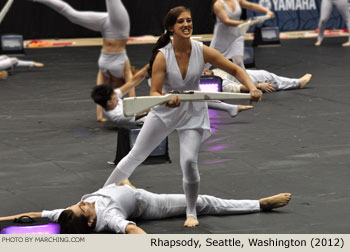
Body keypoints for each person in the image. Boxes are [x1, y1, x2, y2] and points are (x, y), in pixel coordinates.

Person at [102, 6, 262, 228]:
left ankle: (191, 211)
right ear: (171, 28)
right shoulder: (162, 56)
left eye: (189, 20)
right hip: (164, 112)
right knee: (135, 155)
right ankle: (100, 195)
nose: (187, 24)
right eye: (181, 22)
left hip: (193, 113)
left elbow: (235, 70)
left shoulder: (202, 50)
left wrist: (252, 87)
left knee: (188, 162)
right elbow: (154, 92)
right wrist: (166, 98)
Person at [0, 181, 292, 234]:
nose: (83, 202)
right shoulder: (110, 219)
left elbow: (34, 215)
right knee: (202, 202)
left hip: (118, 182)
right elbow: (132, 229)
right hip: (147, 201)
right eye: (84, 209)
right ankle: (258, 204)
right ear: (90, 223)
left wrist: (3, 218)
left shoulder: (69, 214)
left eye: (79, 204)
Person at [29, 0, 135, 121]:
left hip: (105, 27)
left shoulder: (103, 74)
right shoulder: (125, 69)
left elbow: (99, 95)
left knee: (72, 16)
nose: (114, 91)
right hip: (120, 28)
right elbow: (132, 87)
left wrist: (99, 117)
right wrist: (134, 111)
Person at [210, 0, 274, 69]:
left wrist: (267, 11)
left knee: (238, 61)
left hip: (237, 34)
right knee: (209, 59)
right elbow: (226, 21)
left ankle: (241, 79)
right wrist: (245, 23)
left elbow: (251, 5)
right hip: (222, 36)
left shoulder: (237, 0)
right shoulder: (218, 4)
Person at [204, 68, 312, 93]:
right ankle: (298, 83)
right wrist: (259, 85)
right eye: (205, 73)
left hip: (239, 72)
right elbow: (239, 88)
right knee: (269, 78)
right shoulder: (221, 85)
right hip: (246, 81)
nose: (205, 70)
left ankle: (297, 82)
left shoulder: (210, 71)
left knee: (266, 74)